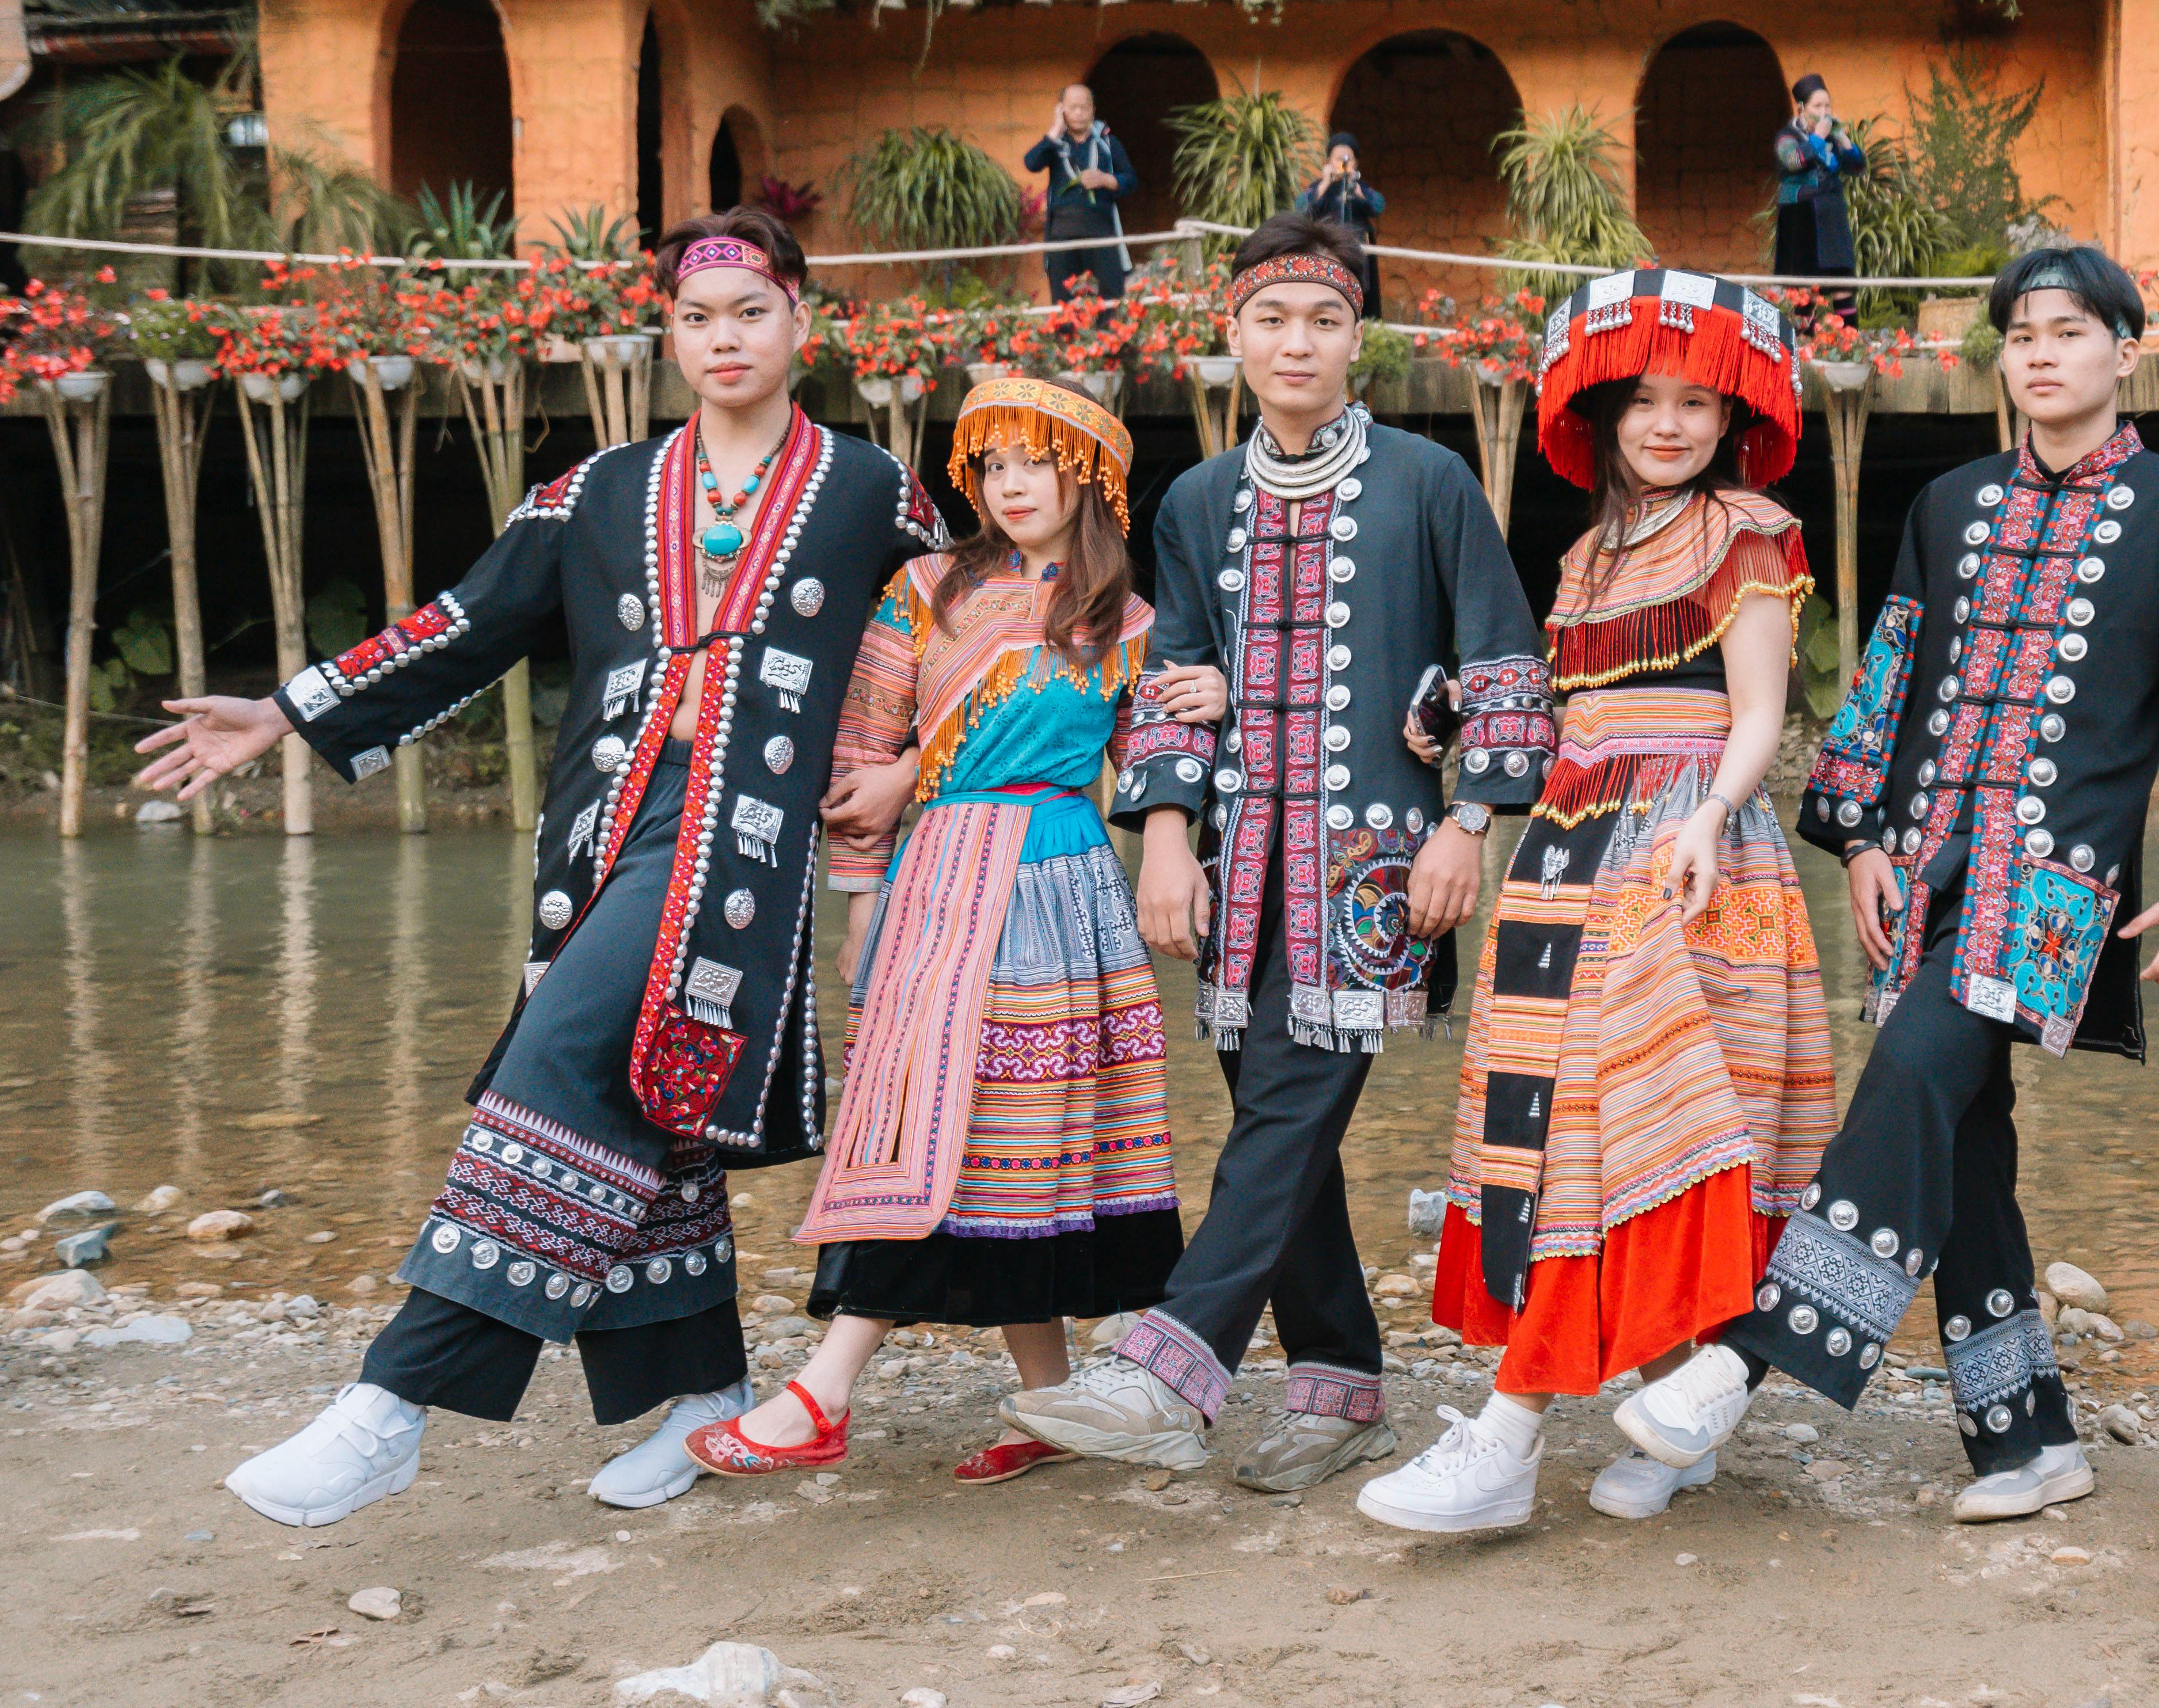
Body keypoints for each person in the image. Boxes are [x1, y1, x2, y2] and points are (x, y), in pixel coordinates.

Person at [134, 208, 950, 1527]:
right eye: (699, 317)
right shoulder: (596, 493)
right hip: (596, 837)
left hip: (744, 849)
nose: (726, 336)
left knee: (553, 1064)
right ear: (668, 335)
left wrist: (913, 773)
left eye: (752, 310)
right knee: (645, 1104)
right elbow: (462, 625)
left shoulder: (873, 491)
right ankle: (702, 1396)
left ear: (804, 323)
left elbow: (979, 632)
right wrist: (285, 710)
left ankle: (390, 1406)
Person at [1609, 244, 2159, 1521]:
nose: (2041, 351)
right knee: (1966, 1151)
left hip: (2055, 894)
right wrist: (1859, 839)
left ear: (2125, 353)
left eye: (2071, 329)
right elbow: (1889, 680)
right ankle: (2025, 1438)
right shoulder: (1951, 503)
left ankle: (1743, 1364)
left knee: (1910, 1074)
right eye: (2021, 331)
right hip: (1922, 872)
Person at [999, 213, 1555, 1490]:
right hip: (1238, 872)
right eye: (1272, 319)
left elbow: (1506, 667)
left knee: (1289, 1107)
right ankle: (1341, 1378)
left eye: (1323, 319)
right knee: (1275, 1123)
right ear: (1232, 336)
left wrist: (1470, 821)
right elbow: (1173, 681)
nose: (1296, 342)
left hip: (1378, 877)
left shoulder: (1432, 482)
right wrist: (1164, 846)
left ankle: (1173, 1366)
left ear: (1360, 337)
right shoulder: (1197, 502)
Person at [1355, 269, 1836, 1532]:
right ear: (1608, 415)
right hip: (1568, 840)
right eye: (1645, 401)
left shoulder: (1749, 527)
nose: (1669, 423)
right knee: (1582, 1125)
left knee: (1624, 1115)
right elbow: (1562, 708)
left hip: (1682, 839)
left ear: (1731, 416)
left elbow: (1764, 712)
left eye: (1695, 400)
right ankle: (1678, 1411)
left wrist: (1712, 817)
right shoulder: (1580, 555)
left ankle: (1510, 1430)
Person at [685, 378, 1180, 1484]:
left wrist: (1210, 698)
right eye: (990, 465)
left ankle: (1043, 1401)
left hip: (1063, 889)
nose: (1009, 485)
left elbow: (1159, 762)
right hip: (940, 879)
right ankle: (831, 1389)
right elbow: (866, 751)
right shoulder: (923, 590)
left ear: (1090, 477)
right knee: (930, 1119)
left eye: (1033, 463)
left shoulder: (1133, 623)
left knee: (1025, 1136)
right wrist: (861, 908)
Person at [1028, 82, 1139, 302]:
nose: (1079, 113)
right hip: (1062, 237)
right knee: (1064, 305)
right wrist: (1055, 130)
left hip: (1101, 234)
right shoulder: (1055, 144)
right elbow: (1032, 163)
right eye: (1072, 108)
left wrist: (1106, 179)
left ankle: (1109, 335)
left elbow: (1131, 180)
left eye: (1084, 108)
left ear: (1093, 111)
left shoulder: (1108, 142)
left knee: (1111, 302)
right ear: (1062, 110)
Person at [1769, 76, 1864, 294]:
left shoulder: (1833, 137)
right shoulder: (1787, 136)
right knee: (1805, 291)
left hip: (1831, 217)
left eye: (1828, 105)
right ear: (1802, 109)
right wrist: (1818, 139)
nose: (1824, 111)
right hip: (1799, 215)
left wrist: (1843, 139)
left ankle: (1847, 329)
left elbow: (1857, 168)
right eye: (1818, 106)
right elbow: (1793, 161)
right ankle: (1806, 329)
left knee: (1842, 285)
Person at [1297, 134, 1386, 321]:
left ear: (1356, 163)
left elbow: (1378, 206)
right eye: (1339, 158)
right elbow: (1301, 207)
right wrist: (1325, 182)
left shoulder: (1360, 188)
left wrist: (1358, 191)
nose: (1343, 163)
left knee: (1359, 296)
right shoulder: (1321, 187)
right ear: (1329, 161)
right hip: (1327, 251)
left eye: (1349, 159)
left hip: (1357, 254)